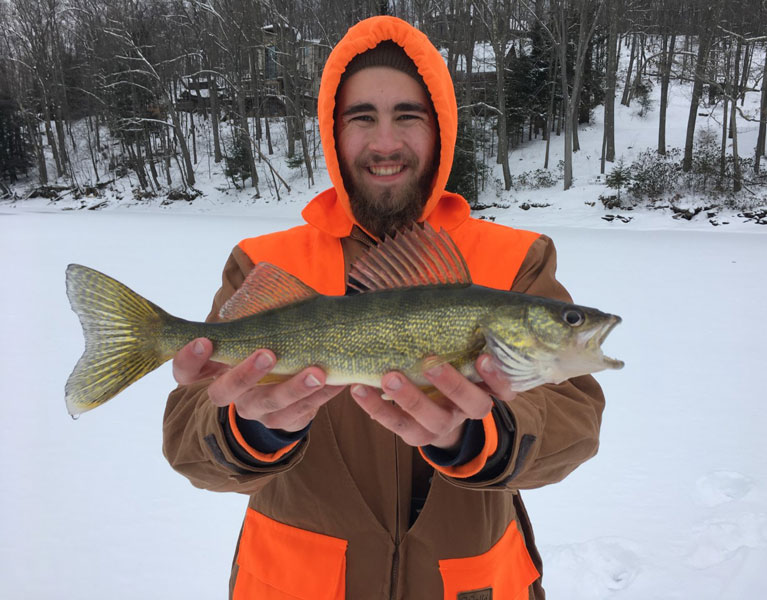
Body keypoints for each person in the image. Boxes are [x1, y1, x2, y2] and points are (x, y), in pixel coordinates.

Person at [164, 15, 605, 600]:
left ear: (441, 129)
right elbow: (188, 441)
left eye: (409, 117)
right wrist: (251, 426)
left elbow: (574, 423)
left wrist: (479, 438)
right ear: (332, 132)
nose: (385, 143)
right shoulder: (264, 263)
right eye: (361, 118)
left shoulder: (516, 259)